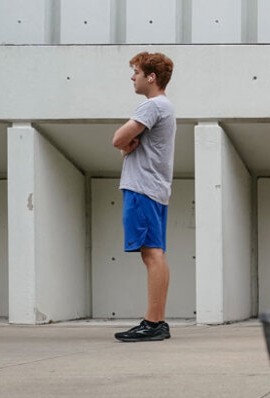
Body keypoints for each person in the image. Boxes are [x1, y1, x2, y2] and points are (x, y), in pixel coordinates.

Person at [111, 51, 176, 342]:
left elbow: (117, 139)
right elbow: (126, 143)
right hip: (154, 189)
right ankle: (157, 322)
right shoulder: (165, 107)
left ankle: (153, 323)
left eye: (136, 72)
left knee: (151, 254)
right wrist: (127, 146)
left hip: (143, 188)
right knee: (155, 253)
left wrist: (125, 146)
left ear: (151, 77)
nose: (132, 77)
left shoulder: (152, 106)